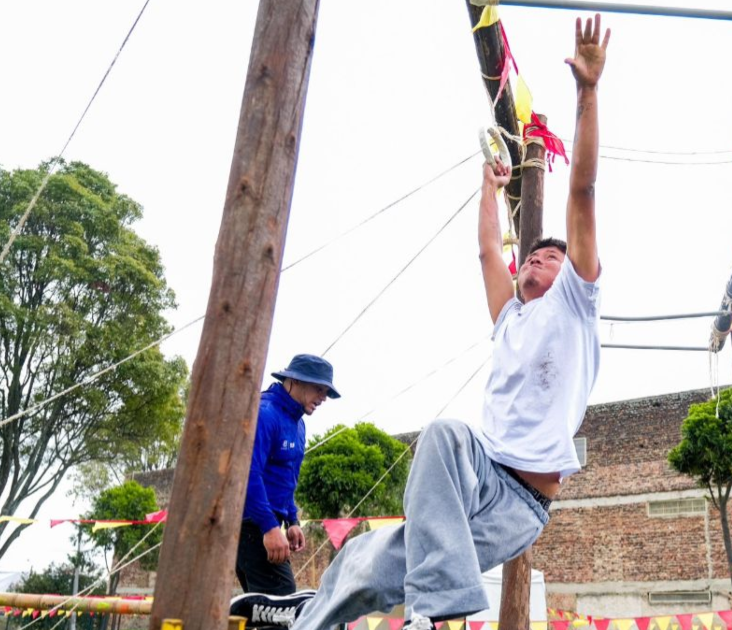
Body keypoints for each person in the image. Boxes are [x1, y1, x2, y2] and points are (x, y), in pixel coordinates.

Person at [230, 14, 611, 630]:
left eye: (550, 255)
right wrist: (488, 185)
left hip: (519, 502)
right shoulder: (511, 315)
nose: (537, 257)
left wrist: (587, 95)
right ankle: (306, 617)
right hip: (476, 474)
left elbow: (584, 192)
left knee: (409, 555)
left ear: (568, 275)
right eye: (532, 253)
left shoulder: (575, 304)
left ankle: (431, 616)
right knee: (371, 550)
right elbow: (490, 251)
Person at [236, 354, 341, 596]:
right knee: (281, 602)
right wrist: (270, 528)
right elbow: (248, 474)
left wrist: (292, 521)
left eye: (326, 392)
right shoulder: (265, 414)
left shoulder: (298, 424)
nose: (323, 398)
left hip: (266, 522)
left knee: (263, 609)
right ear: (294, 381)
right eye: (319, 389)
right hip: (251, 523)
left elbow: (286, 480)